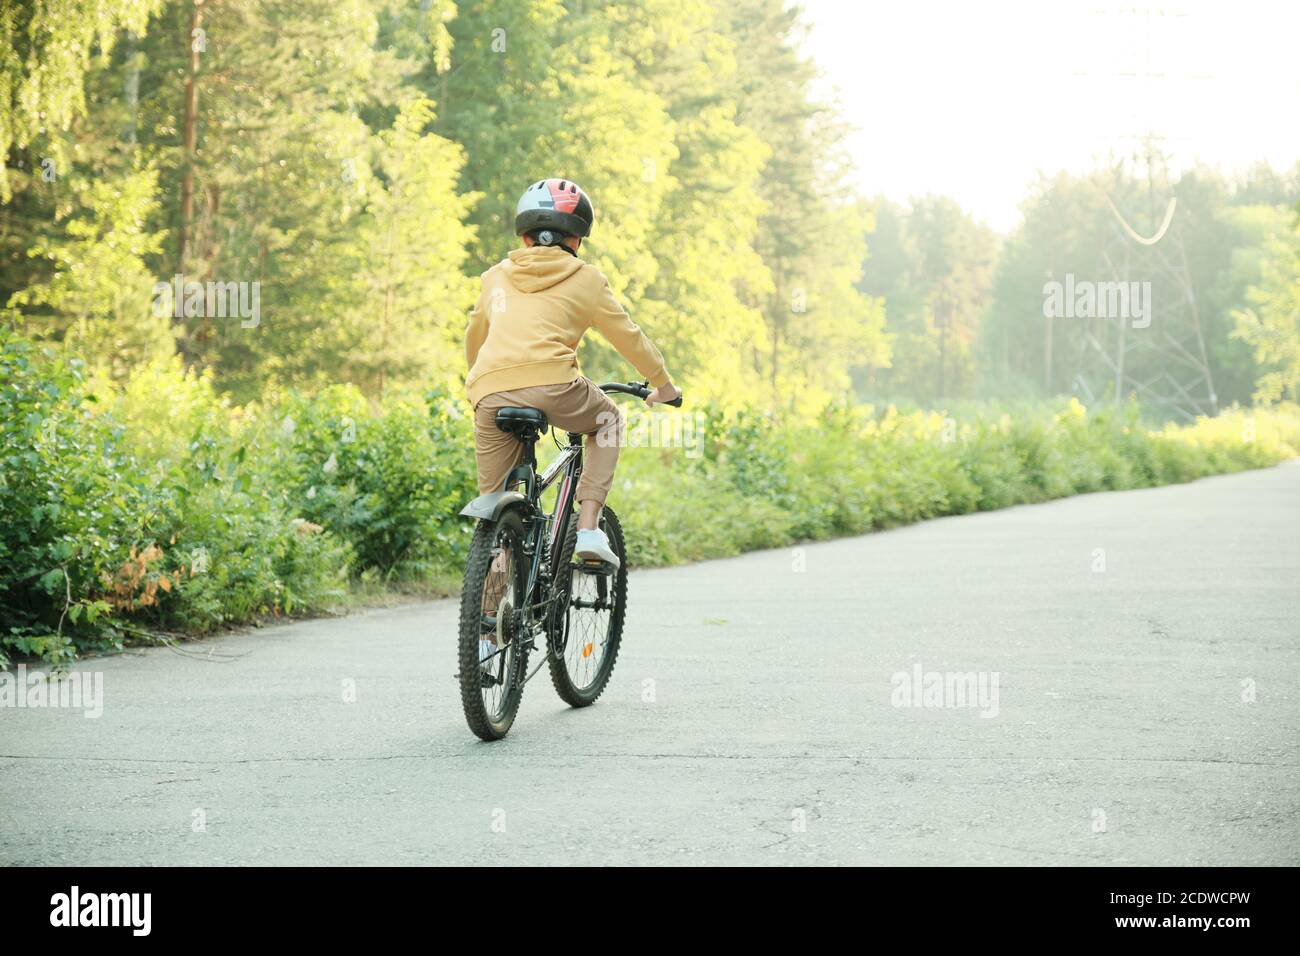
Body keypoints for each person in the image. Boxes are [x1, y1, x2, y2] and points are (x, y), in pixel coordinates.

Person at [464, 178, 681, 569]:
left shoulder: (494, 276)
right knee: (608, 418)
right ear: (577, 238)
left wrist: (483, 384)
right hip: (553, 384)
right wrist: (663, 384)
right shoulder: (586, 279)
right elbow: (629, 338)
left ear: (525, 236)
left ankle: (487, 626)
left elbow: (474, 336)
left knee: (495, 507)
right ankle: (588, 529)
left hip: (489, 391)